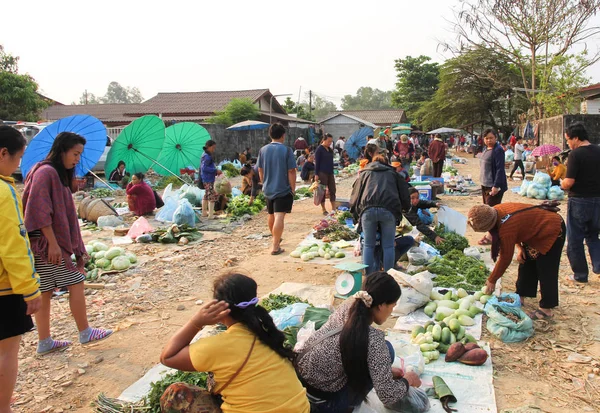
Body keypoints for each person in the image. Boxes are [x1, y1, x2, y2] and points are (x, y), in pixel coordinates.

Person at [160, 272, 310, 413]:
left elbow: (167, 357)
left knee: (176, 392)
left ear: (219, 309)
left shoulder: (217, 346)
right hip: (301, 409)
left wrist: (196, 322)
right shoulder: (269, 334)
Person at [22, 132, 112, 355]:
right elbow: (39, 211)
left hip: (44, 244)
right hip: (48, 245)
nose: (77, 159)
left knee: (45, 290)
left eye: (79, 154)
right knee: (76, 282)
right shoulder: (46, 173)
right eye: (75, 154)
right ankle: (85, 332)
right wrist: (52, 244)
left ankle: (44, 342)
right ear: (62, 150)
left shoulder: (51, 173)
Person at [296, 272, 423, 413]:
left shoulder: (349, 305)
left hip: (299, 389)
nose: (392, 311)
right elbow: (388, 395)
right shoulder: (374, 341)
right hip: (326, 404)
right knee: (388, 350)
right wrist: (408, 380)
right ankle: (347, 407)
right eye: (392, 306)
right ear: (381, 306)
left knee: (382, 355)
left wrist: (385, 370)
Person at [0, 126, 42, 413]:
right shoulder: (4, 191)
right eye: (18, 158)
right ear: (3, 153)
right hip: (4, 288)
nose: (18, 165)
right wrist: (30, 290)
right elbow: (13, 246)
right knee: (6, 352)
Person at [468, 203, 565, 319]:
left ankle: (546, 309)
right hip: (533, 229)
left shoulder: (506, 228)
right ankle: (521, 296)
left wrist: (492, 279)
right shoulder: (496, 211)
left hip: (551, 228)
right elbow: (518, 228)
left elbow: (505, 257)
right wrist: (520, 247)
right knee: (526, 261)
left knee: (546, 269)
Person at [350, 155, 410, 274]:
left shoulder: (364, 174)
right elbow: (404, 193)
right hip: (389, 211)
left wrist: (355, 215)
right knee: (388, 246)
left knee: (368, 245)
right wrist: (405, 208)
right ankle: (388, 275)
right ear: (387, 163)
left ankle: (369, 276)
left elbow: (355, 195)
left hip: (367, 210)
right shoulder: (393, 174)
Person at [561, 122, 600, 283]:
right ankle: (598, 267)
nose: (568, 143)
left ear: (576, 138)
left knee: (575, 238)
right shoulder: (599, 150)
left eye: (568, 140)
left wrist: (561, 183)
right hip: (598, 200)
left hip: (579, 201)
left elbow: (569, 182)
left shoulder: (575, 155)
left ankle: (580, 275)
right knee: (593, 236)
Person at [257, 123, 296, 255]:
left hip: (268, 188)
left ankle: (276, 239)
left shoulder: (263, 150)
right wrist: (293, 188)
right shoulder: (286, 150)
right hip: (282, 188)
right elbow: (291, 171)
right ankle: (275, 246)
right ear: (283, 135)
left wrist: (263, 183)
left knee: (271, 214)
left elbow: (260, 169)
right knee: (280, 216)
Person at [478, 128, 508, 245]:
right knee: (488, 210)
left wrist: (496, 186)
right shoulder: (487, 149)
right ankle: (490, 234)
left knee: (492, 212)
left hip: (493, 186)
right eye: (486, 138)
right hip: (485, 184)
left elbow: (500, 169)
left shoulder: (498, 150)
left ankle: (492, 237)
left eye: (491, 138)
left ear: (495, 137)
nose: (489, 140)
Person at [314, 133, 337, 215]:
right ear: (324, 140)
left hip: (330, 172)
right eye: (328, 141)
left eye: (331, 141)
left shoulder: (329, 150)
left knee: (332, 189)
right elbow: (317, 163)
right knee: (322, 191)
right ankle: (323, 209)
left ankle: (334, 208)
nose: (330, 143)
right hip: (322, 172)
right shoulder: (319, 150)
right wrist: (316, 174)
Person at [201, 140, 222, 219]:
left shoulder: (205, 155)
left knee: (206, 195)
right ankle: (210, 215)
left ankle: (204, 213)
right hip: (208, 179)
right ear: (209, 147)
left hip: (206, 178)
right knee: (212, 196)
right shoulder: (206, 157)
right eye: (213, 148)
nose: (213, 149)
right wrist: (215, 170)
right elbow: (204, 168)